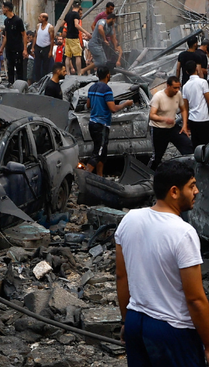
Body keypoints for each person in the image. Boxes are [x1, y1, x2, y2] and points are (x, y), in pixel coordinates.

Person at [116, 158, 209, 366]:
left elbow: (122, 276)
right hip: (172, 330)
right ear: (174, 191)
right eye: (192, 186)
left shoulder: (130, 219)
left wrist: (126, 321)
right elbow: (195, 298)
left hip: (136, 321)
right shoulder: (183, 232)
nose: (196, 192)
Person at [87, 67, 133, 176]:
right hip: (101, 126)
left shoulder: (92, 87)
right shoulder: (106, 89)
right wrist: (125, 104)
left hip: (92, 123)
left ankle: (100, 177)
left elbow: (88, 105)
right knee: (97, 153)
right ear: (108, 75)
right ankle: (84, 178)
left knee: (102, 154)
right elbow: (113, 109)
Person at [152, 76, 193, 166]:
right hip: (159, 129)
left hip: (172, 128)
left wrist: (185, 125)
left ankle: (190, 169)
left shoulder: (178, 94)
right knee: (158, 156)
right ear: (168, 86)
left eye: (178, 87)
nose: (177, 90)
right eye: (175, 87)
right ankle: (152, 173)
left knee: (187, 146)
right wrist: (164, 119)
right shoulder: (158, 96)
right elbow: (152, 115)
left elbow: (183, 109)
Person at [184, 62, 209, 149]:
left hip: (192, 120)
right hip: (204, 119)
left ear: (186, 72)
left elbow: (185, 107)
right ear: (196, 69)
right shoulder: (203, 82)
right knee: (206, 146)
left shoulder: (185, 86)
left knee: (196, 146)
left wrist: (186, 122)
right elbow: (208, 99)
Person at [1, 2, 26, 84]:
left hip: (18, 48)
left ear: (7, 9)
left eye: (3, 8)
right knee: (10, 68)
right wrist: (1, 49)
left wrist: (25, 49)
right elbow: (6, 36)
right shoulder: (6, 21)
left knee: (19, 69)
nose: (2, 9)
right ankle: (10, 84)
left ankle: (20, 85)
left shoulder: (18, 20)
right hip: (9, 49)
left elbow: (24, 35)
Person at [32, 13, 54, 83]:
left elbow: (52, 40)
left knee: (45, 66)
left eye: (40, 17)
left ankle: (44, 81)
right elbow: (35, 36)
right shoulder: (38, 26)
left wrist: (51, 51)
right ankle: (37, 80)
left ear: (44, 18)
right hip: (38, 47)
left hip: (46, 48)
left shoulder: (50, 27)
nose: (38, 18)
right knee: (37, 65)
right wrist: (33, 47)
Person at [62, 6, 84, 75]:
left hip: (67, 38)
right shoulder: (76, 14)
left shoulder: (68, 14)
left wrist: (68, 27)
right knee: (78, 55)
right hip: (74, 38)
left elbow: (61, 24)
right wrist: (86, 32)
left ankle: (68, 73)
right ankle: (79, 73)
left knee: (68, 56)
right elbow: (76, 25)